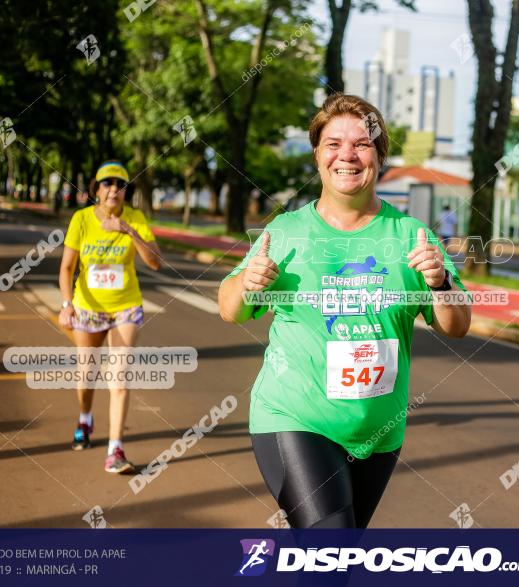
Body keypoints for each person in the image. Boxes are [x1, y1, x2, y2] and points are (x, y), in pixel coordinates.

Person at [218, 94, 471, 528]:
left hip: (378, 433)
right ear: (317, 154)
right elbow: (230, 309)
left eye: (362, 144)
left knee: (336, 564)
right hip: (294, 417)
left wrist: (440, 283)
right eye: (333, 143)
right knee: (331, 544)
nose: (347, 155)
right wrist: (247, 282)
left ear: (380, 156)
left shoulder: (412, 235)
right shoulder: (286, 231)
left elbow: (458, 325)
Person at [58, 161, 162, 474]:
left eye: (120, 184)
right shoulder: (81, 219)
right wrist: (66, 304)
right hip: (88, 307)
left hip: (125, 307)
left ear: (126, 191)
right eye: (107, 184)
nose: (114, 189)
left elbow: (156, 262)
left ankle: (115, 450)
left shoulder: (135, 218)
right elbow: (66, 267)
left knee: (119, 376)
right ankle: (85, 417)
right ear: (96, 190)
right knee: (86, 375)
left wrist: (128, 231)